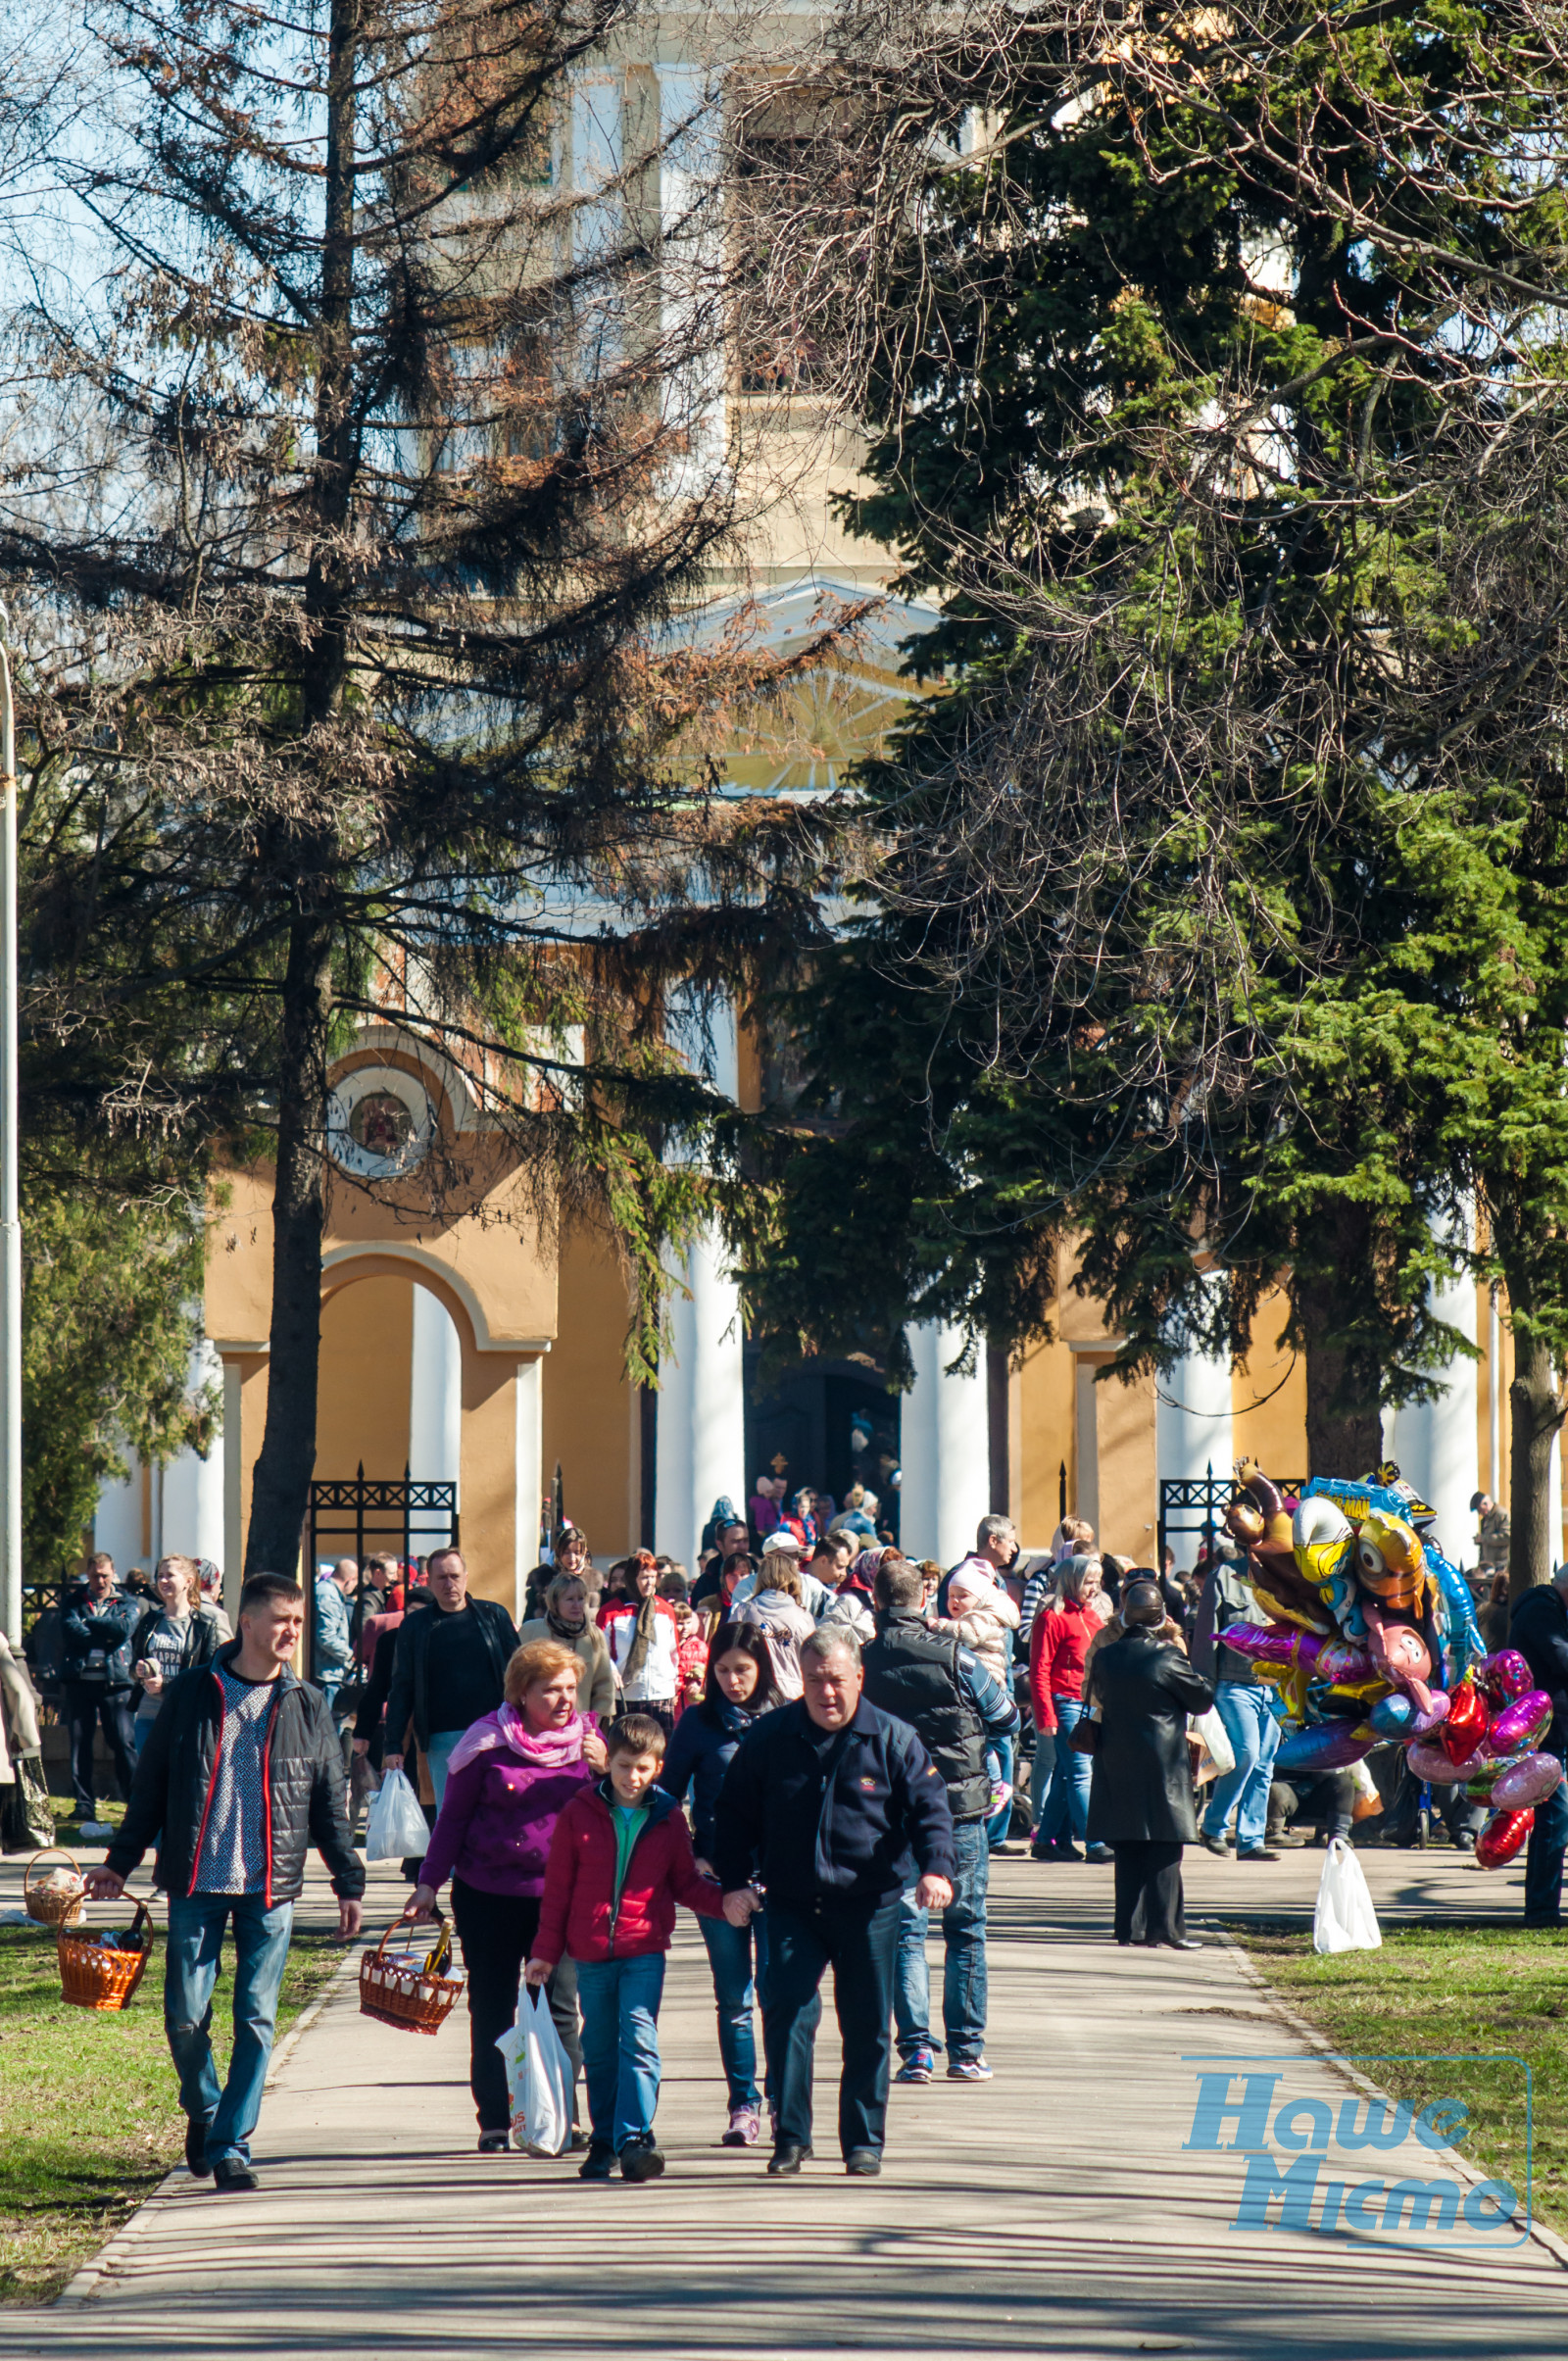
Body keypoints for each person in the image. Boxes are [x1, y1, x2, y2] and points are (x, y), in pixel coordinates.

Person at [83, 1573, 364, 2190]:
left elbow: (329, 1799)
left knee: (257, 2017)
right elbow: (152, 1783)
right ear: (247, 1623)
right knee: (185, 2016)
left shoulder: (308, 1702)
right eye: (281, 1620)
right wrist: (120, 1860)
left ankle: (232, 2144)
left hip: (271, 1884)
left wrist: (348, 1878)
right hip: (197, 1877)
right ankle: (207, 2109)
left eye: (298, 1622)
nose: (292, 1632)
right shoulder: (191, 1691)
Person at [712, 1626, 956, 2178]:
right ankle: (792, 2138)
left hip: (870, 1905)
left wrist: (937, 1868)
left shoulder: (894, 1739)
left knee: (868, 2025)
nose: (827, 1693)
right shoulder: (770, 1738)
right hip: (792, 1904)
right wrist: (733, 1882)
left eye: (838, 1681)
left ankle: (863, 2142)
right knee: (787, 2019)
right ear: (801, 1678)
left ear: (859, 1678)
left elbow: (931, 1811)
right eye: (816, 1680)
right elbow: (732, 1815)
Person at [409, 1639, 607, 2148]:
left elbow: (626, 1811)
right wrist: (428, 1883)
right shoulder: (486, 1743)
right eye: (551, 1690)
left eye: (570, 1688)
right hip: (487, 1896)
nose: (566, 1700)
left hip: (558, 1902)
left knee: (560, 2008)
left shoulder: (591, 1743)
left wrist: (605, 1772)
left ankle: (563, 2114)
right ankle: (496, 2119)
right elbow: (451, 1819)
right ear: (521, 1693)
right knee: (493, 2009)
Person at [525, 1711, 724, 2181]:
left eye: (642, 1767)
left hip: (643, 1949)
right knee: (598, 2047)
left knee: (638, 2037)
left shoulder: (669, 1818)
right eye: (622, 1766)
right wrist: (545, 1952)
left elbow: (685, 1883)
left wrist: (726, 1904)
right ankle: (605, 2138)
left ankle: (633, 2137)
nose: (631, 1777)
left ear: (657, 1767)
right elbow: (558, 1889)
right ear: (606, 1764)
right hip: (591, 1952)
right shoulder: (579, 1813)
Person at [860, 1558, 1018, 2087]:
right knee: (966, 1926)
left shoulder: (860, 1664)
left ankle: (917, 2050)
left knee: (907, 1931)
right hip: (960, 1805)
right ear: (923, 1599)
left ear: (875, 1602)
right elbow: (1006, 1717)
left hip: (890, 1809)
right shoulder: (957, 1657)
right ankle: (967, 2051)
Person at [662, 1623, 782, 2143]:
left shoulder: (785, 1719)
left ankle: (782, 2097)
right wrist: (690, 1857)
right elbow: (666, 1797)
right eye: (723, 1670)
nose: (733, 1681)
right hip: (718, 1879)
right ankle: (743, 2104)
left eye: (743, 1670)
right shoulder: (697, 1723)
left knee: (781, 1995)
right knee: (734, 1998)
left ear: (762, 1671)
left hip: (780, 1880)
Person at [1087, 1577, 1215, 1949]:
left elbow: (1097, 1695)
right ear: (1160, 1618)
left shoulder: (1106, 1656)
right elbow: (1201, 1699)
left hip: (1116, 1756)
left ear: (1126, 1617)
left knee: (1127, 1844)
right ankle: (1168, 1929)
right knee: (1164, 1845)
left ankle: (1130, 1928)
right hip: (1162, 1761)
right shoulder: (1167, 1656)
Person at [383, 1549, 519, 1807]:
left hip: (495, 1733)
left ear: (466, 1577)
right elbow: (402, 1687)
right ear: (430, 1582)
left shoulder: (494, 1616)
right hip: (441, 1738)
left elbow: (520, 1674)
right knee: (453, 1814)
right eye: (442, 1577)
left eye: (455, 1576)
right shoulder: (416, 1626)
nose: (449, 1584)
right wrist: (393, 1745)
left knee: (499, 1810)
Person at [1191, 1546, 1281, 1861]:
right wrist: (1202, 1687)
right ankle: (1214, 1826)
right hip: (1234, 1683)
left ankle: (1251, 1840)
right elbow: (1205, 1635)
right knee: (1246, 1754)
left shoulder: (1288, 1578)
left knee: (1264, 1764)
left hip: (1276, 1688)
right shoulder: (1224, 1577)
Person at [932, 1563, 1022, 1847]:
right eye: (951, 1595)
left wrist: (936, 1625)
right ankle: (994, 1784)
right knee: (982, 1741)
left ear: (980, 1597)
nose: (955, 1602)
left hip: (986, 1687)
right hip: (977, 1686)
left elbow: (967, 1634)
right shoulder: (978, 1613)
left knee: (985, 1741)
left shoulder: (982, 1618)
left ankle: (997, 1784)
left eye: (962, 1595)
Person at [1029, 1555, 1110, 1863]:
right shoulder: (1051, 1617)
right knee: (1080, 1773)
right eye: (1088, 1582)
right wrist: (1045, 1714)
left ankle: (1050, 1839)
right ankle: (1096, 1841)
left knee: (1065, 1774)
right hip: (1065, 1702)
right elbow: (1040, 1669)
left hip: (1090, 1703)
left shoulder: (1093, 1618)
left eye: (1096, 1581)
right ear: (1072, 1581)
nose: (1094, 1588)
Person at [61, 1552, 141, 1827]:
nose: (100, 1581)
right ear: (88, 1574)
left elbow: (124, 1629)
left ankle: (134, 1803)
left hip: (115, 1683)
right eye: (95, 1575)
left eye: (105, 1575)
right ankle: (84, 1805)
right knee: (79, 1744)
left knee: (123, 1742)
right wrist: (107, 1632)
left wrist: (92, 1624)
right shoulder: (74, 1602)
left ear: (113, 1573)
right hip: (80, 1682)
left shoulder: (126, 1602)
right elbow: (70, 1630)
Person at [1509, 1566, 1568, 1926]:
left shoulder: (1551, 1608)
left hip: (1555, 1731)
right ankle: (1542, 1910)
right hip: (1548, 1733)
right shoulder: (1541, 1609)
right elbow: (1561, 1658)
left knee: (1557, 1816)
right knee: (1555, 1816)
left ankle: (1544, 1907)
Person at [129, 1554, 228, 1759]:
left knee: (177, 1778)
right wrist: (139, 1671)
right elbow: (133, 1664)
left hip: (184, 1714)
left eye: (170, 1575)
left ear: (188, 1581)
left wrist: (165, 1685)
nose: (163, 1581)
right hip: (149, 1713)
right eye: (160, 1576)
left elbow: (207, 1675)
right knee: (148, 1779)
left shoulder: (203, 1625)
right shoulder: (150, 1620)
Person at [599, 1552, 683, 1739]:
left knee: (660, 1756)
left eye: (653, 1577)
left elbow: (674, 1653)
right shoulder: (610, 1611)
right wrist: (611, 1670)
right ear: (631, 1578)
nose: (650, 1583)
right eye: (644, 1577)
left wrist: (675, 1683)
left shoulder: (665, 1610)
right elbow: (599, 1650)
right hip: (626, 1696)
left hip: (661, 1695)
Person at [520, 1571, 617, 1719]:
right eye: (570, 1599)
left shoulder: (594, 1635)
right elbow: (516, 1680)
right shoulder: (531, 1631)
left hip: (581, 1728)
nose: (577, 1605)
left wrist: (592, 1724)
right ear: (555, 1602)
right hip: (537, 1727)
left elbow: (604, 1688)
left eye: (581, 1599)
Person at [732, 1560, 816, 1699]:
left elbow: (728, 1650)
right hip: (795, 1694)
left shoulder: (744, 1611)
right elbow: (812, 1659)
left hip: (755, 1693)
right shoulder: (803, 1616)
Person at [938, 1513, 1019, 1616]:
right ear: (993, 1541)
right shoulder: (960, 1576)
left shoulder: (997, 1579)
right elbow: (947, 1623)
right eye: (1010, 1541)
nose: (1014, 1549)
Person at [314, 1558, 358, 1715]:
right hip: (327, 1674)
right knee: (327, 1731)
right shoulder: (329, 1596)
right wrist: (350, 1655)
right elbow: (326, 1636)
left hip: (328, 1671)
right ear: (349, 1580)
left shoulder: (327, 1593)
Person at [1473, 1490, 1511, 1574]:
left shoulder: (1501, 1514)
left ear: (1485, 1504)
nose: (1480, 1513)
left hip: (1501, 1565)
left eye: (1480, 1510)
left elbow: (1507, 1537)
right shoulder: (1485, 1520)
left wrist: (1484, 1538)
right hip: (1488, 1566)